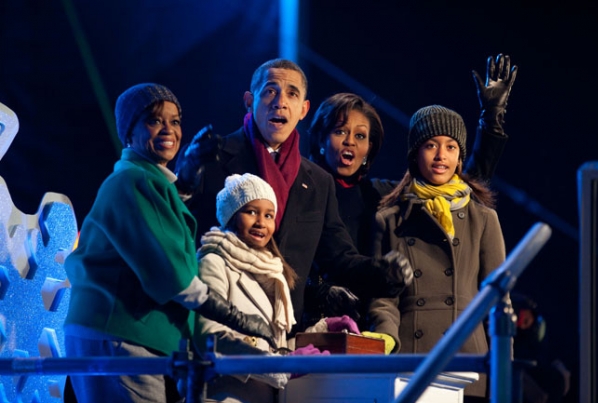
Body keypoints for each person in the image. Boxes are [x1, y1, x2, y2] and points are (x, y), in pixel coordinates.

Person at [63, 83, 275, 403]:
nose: (168, 129)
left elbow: (163, 219)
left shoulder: (147, 181)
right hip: (118, 331)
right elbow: (172, 275)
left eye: (175, 121)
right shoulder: (132, 181)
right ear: (129, 133)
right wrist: (238, 318)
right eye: (154, 120)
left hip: (125, 333)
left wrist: (186, 179)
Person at [175, 59, 413, 336]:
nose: (280, 102)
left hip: (283, 333)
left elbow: (338, 257)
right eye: (270, 91)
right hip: (217, 325)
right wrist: (186, 179)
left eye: (292, 93)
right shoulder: (210, 158)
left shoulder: (317, 182)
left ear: (303, 109)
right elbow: (174, 228)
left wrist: (382, 273)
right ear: (249, 101)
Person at [304, 54, 517, 326]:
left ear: (370, 148)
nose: (350, 142)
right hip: (313, 324)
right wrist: (318, 292)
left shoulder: (383, 196)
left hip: (368, 327)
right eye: (339, 131)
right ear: (321, 139)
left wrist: (491, 123)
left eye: (360, 136)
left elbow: (456, 188)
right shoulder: (302, 193)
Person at [367, 105, 506, 401]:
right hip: (411, 360)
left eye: (451, 146)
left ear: (459, 157)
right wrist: (385, 340)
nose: (441, 155)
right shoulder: (389, 218)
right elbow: (384, 298)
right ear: (415, 153)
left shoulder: (483, 218)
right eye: (431, 145)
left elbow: (497, 301)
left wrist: (502, 369)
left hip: (468, 362)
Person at [194, 173, 334, 402]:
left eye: (269, 215)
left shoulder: (270, 273)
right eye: (251, 212)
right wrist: (280, 367)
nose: (261, 222)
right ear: (231, 216)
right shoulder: (214, 262)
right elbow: (210, 339)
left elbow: (272, 347)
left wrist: (322, 330)